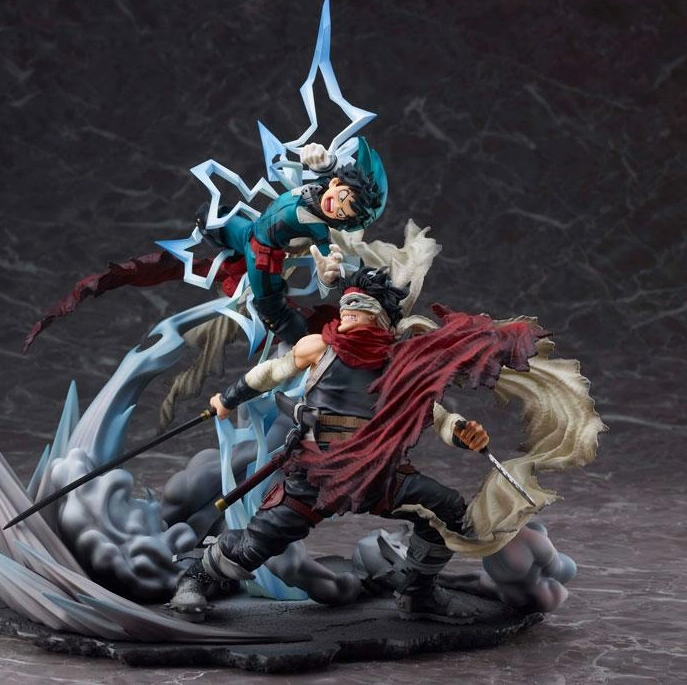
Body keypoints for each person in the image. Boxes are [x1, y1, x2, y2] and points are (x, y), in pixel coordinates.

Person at [170, 266, 492, 623]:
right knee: (260, 542)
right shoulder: (319, 347)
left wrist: (462, 431)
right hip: (318, 473)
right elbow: (271, 373)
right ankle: (195, 577)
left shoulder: (400, 366)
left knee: (446, 509)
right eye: (347, 301)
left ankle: (418, 593)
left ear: (383, 318)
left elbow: (435, 414)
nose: (349, 307)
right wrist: (228, 399)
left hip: (379, 474)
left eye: (361, 303)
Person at [198, 139, 388, 344]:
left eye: (342, 213)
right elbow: (329, 168)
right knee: (208, 219)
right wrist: (324, 161)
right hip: (249, 231)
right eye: (342, 196)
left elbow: (327, 256)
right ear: (336, 183)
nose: (336, 206)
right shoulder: (323, 185)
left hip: (263, 257)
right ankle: (234, 263)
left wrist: (330, 273)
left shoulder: (317, 226)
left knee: (272, 310)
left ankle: (302, 338)